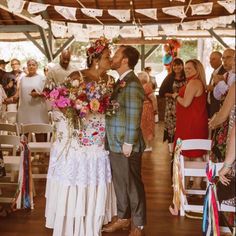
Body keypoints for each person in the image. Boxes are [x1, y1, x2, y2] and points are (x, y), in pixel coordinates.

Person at [45, 37, 116, 236]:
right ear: (95, 59)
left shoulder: (111, 80)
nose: (110, 60)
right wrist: (75, 109)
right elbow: (62, 101)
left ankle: (93, 219)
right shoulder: (78, 76)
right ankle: (72, 218)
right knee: (77, 172)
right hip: (79, 134)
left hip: (100, 135)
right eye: (107, 57)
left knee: (93, 173)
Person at [104, 45, 146, 236]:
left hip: (126, 144)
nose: (112, 57)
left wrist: (129, 142)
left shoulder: (133, 84)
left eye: (116, 55)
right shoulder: (120, 82)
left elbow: (135, 115)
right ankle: (123, 218)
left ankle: (138, 224)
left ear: (125, 60)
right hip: (114, 142)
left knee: (132, 185)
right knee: (120, 183)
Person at [172, 59, 208, 189]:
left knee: (188, 153)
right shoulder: (196, 82)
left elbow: (186, 103)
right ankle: (193, 186)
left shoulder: (193, 82)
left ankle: (186, 187)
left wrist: (176, 96)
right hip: (193, 122)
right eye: (185, 68)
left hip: (191, 123)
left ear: (197, 70)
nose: (186, 70)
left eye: (189, 69)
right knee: (194, 153)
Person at [4, 59, 49, 124]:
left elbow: (47, 93)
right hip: (24, 109)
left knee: (39, 130)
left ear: (37, 66)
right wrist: (10, 99)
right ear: (27, 67)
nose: (31, 66)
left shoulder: (42, 78)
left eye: (33, 65)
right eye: (29, 65)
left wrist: (39, 94)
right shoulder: (23, 79)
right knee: (24, 131)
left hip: (38, 109)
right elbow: (18, 93)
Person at [159, 58, 186, 154]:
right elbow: (162, 92)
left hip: (184, 105)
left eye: (179, 65)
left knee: (182, 126)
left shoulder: (186, 77)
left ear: (182, 66)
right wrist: (173, 95)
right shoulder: (169, 78)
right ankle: (171, 149)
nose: (177, 67)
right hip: (171, 107)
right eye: (175, 65)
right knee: (171, 127)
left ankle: (182, 148)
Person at [138, 71, 157, 152]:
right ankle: (145, 144)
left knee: (147, 126)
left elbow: (153, 98)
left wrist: (155, 110)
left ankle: (148, 145)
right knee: (143, 126)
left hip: (147, 108)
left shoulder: (147, 86)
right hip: (143, 108)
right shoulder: (142, 86)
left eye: (138, 76)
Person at [206, 51, 226, 118]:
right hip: (210, 104)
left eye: (213, 59)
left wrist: (213, 89)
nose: (210, 61)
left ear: (221, 60)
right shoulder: (214, 71)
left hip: (218, 105)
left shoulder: (224, 71)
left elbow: (226, 91)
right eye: (210, 59)